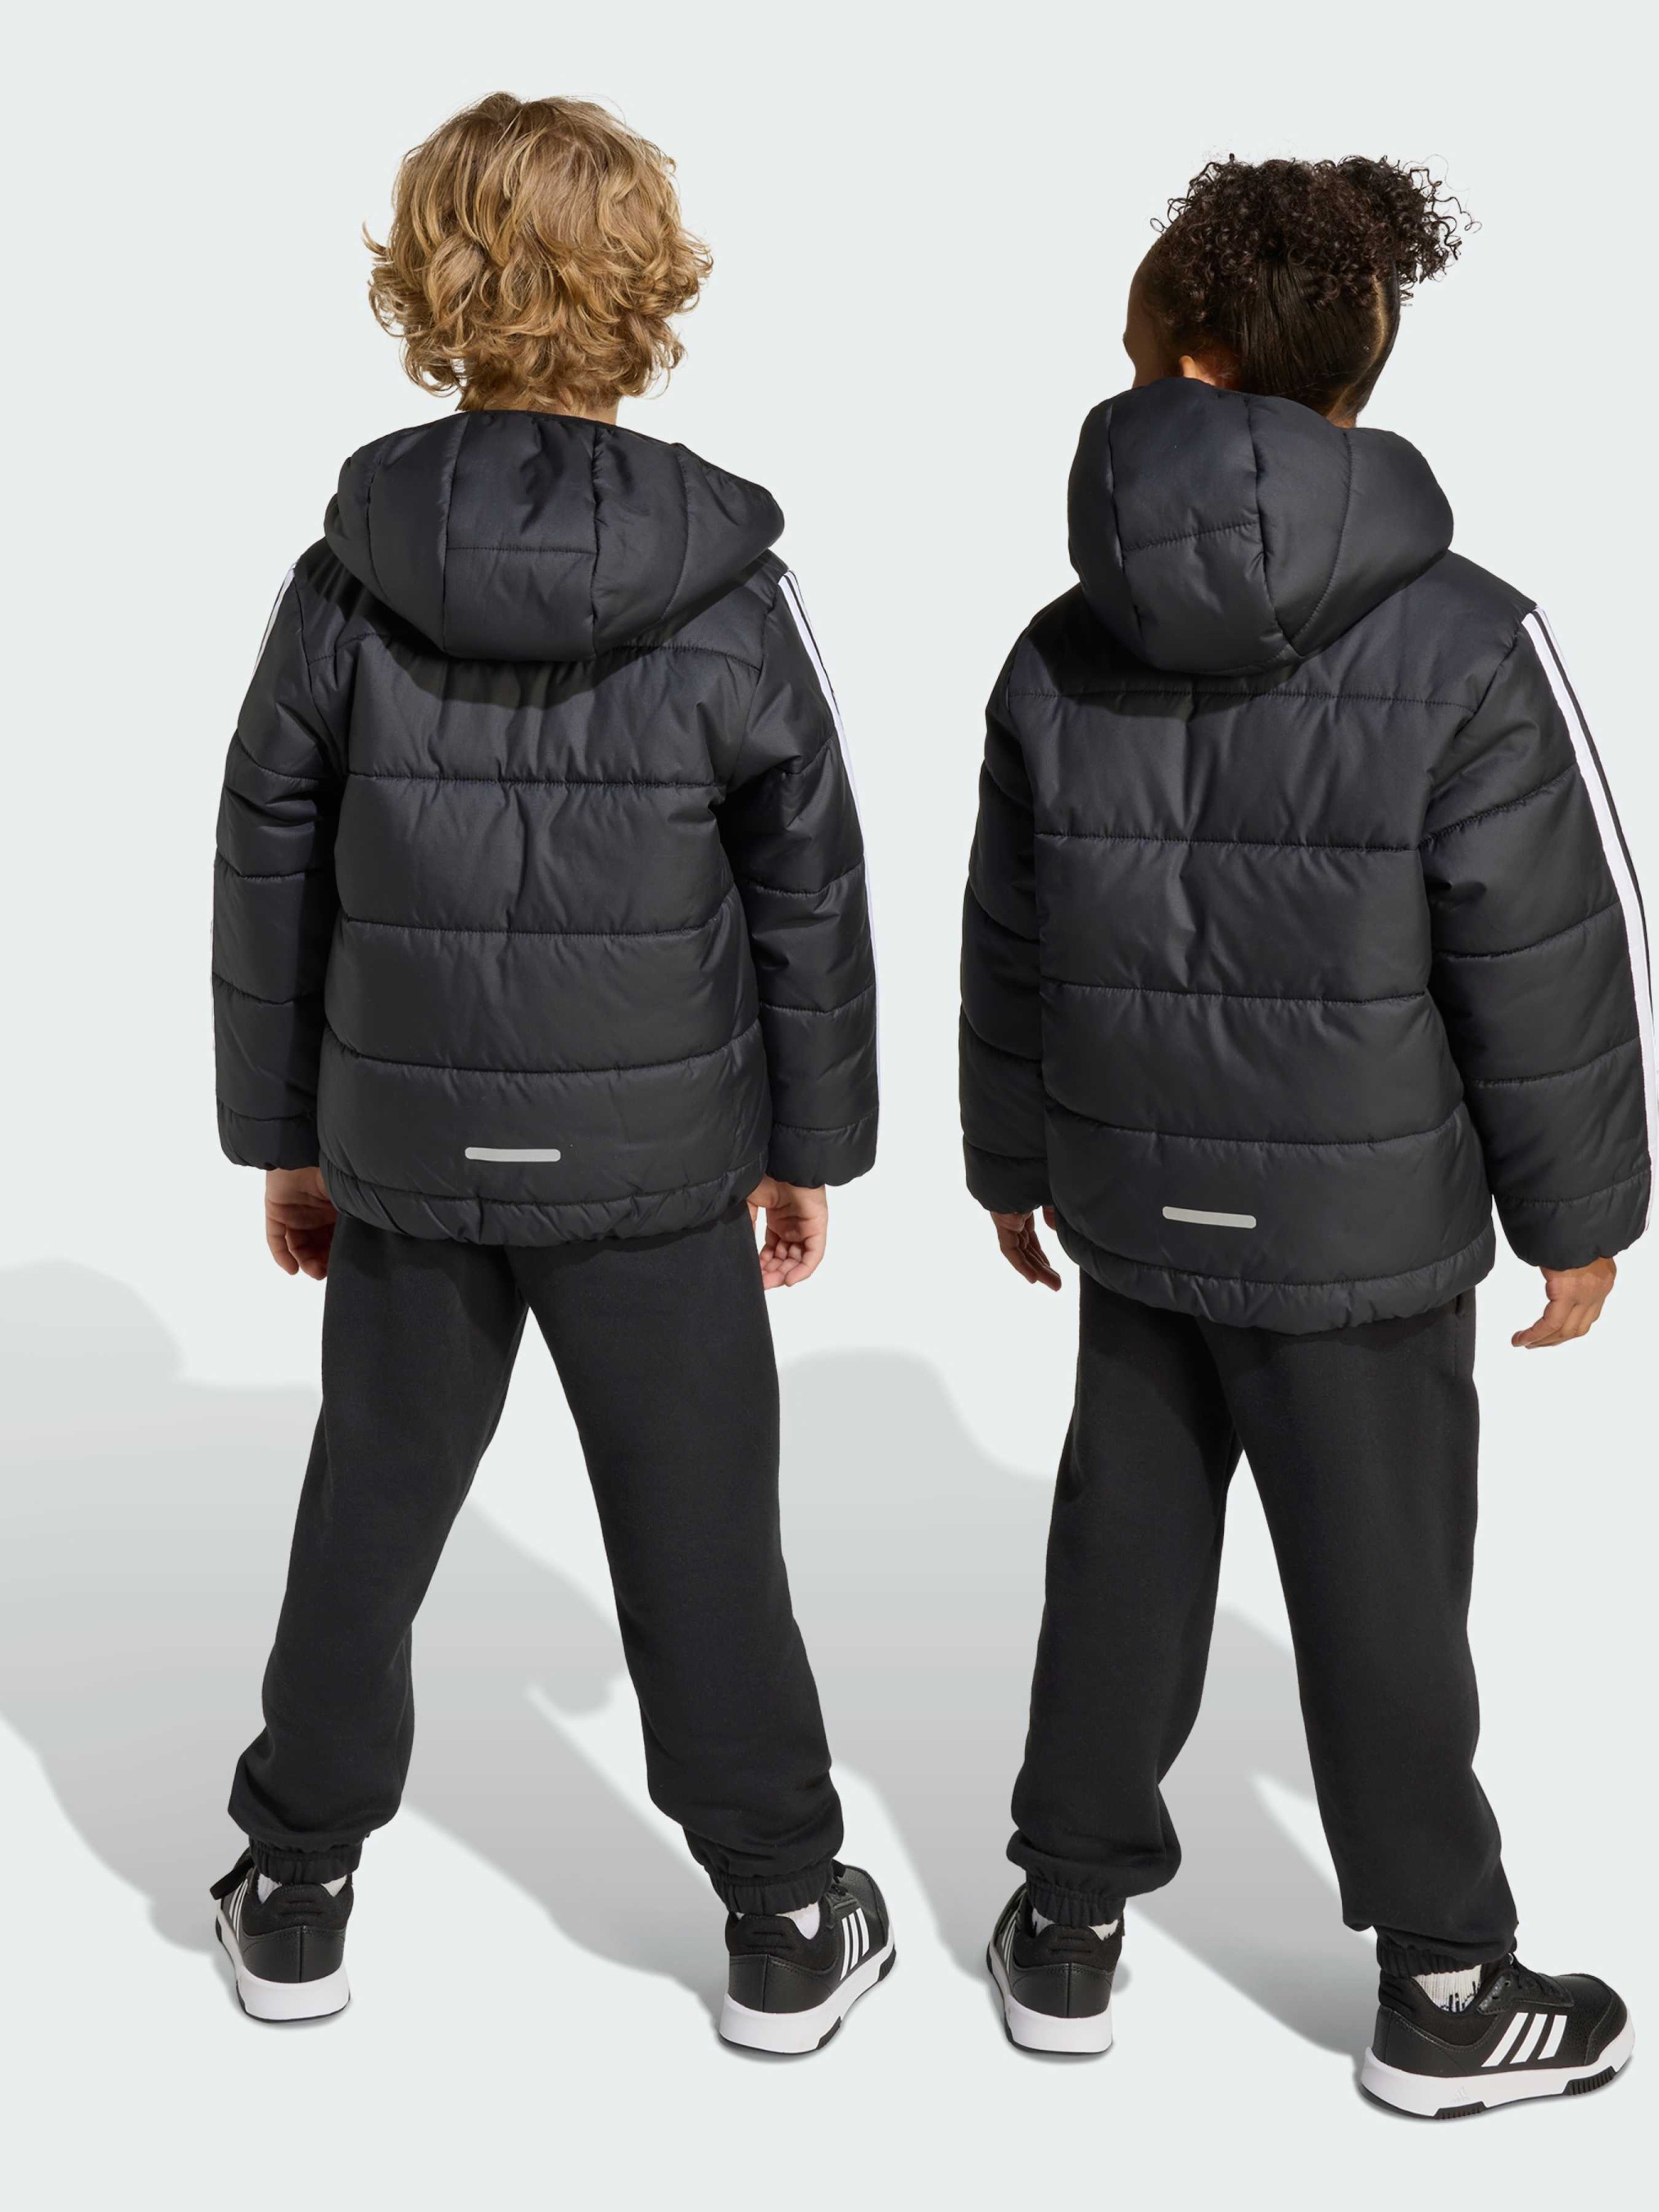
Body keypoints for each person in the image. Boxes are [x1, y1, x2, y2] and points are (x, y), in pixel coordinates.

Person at [962, 156, 1648, 2111]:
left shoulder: (1059, 640)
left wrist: (1010, 1162)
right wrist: (1579, 1209)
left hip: (1130, 1202)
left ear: (1182, 363)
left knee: (1121, 1553)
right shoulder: (1469, 639)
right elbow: (1544, 943)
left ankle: (1065, 1928)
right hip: (1358, 1242)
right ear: (1354, 368)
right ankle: (1442, 1985)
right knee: (1378, 1589)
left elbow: (1007, 931)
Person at [211, 93, 893, 2051]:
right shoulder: (729, 582)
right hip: (657, 1155)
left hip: (410, 1144)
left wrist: (286, 1139)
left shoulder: (345, 574)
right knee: (701, 1529)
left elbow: (266, 860)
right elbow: (808, 878)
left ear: (428, 283)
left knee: (367, 1508)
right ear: (645, 286)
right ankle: (782, 1918)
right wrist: (807, 1145)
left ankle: (294, 1889)